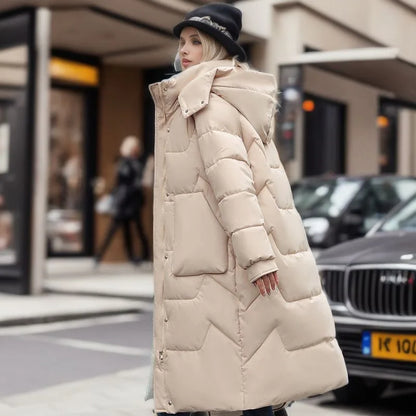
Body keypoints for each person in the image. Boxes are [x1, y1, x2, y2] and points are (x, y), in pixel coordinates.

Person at [148, 3, 348, 415]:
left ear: (218, 49)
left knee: (226, 379)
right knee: (246, 373)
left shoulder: (206, 104)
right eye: (182, 42)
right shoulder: (228, 99)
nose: (184, 50)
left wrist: (257, 259)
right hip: (216, 260)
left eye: (196, 42)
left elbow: (233, 186)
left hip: (219, 265)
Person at [95, 135, 150, 264]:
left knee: (128, 231)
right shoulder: (128, 163)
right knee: (123, 230)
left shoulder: (130, 162)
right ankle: (100, 256)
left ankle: (134, 256)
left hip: (128, 201)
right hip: (126, 202)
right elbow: (127, 182)